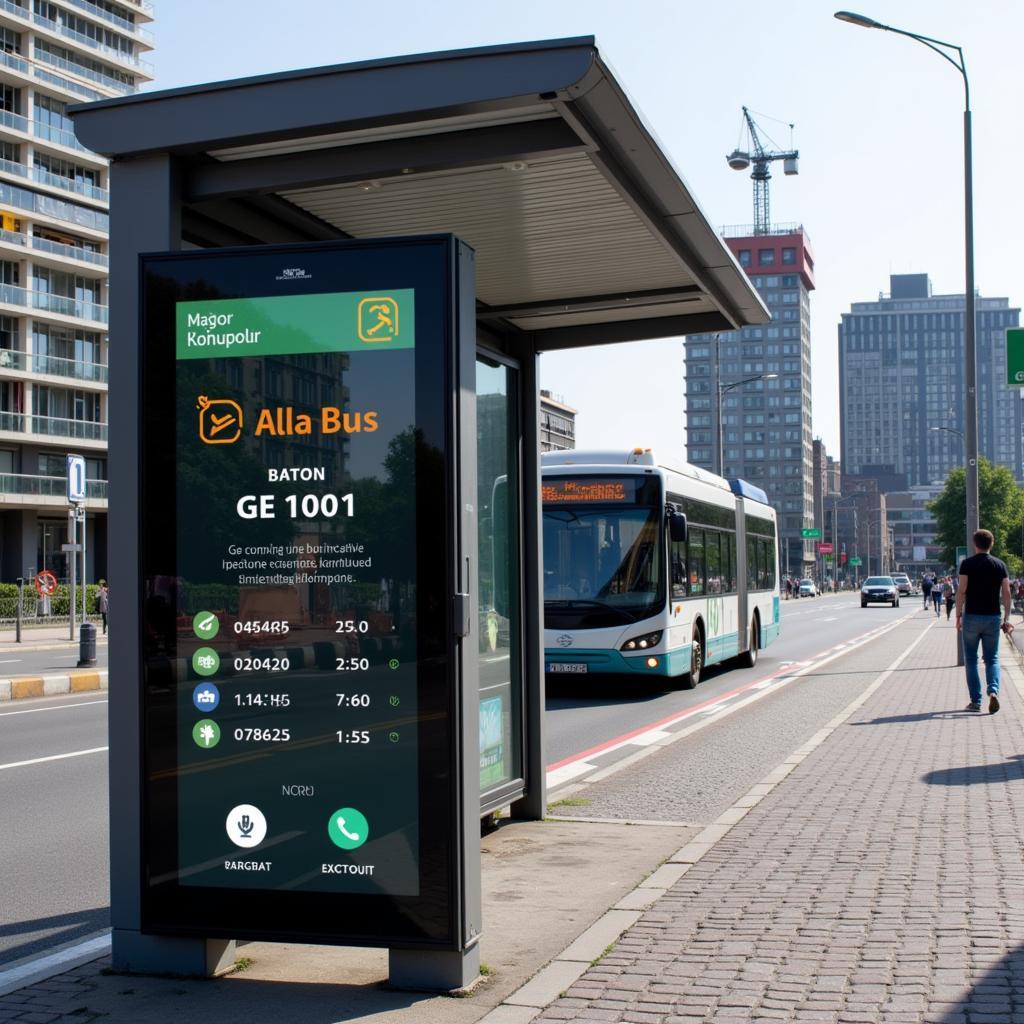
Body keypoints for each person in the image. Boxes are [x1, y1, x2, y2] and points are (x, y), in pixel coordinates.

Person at [955, 529, 1014, 714]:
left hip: (971, 616)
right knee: (992, 658)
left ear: (975, 544)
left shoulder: (967, 564)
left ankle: (976, 701)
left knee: (971, 660)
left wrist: (958, 615)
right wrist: (1006, 619)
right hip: (993, 617)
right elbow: (1006, 593)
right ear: (992, 543)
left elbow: (962, 590)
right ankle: (993, 691)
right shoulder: (1000, 565)